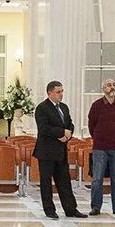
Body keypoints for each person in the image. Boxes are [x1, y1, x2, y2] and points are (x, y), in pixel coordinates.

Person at [34, 80, 85, 219]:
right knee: (46, 183)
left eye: (62, 91)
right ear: (49, 93)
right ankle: (50, 210)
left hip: (61, 151)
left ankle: (71, 209)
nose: (61, 94)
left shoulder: (64, 107)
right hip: (46, 151)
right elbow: (44, 128)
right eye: (58, 92)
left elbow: (70, 124)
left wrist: (67, 136)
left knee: (64, 181)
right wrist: (61, 132)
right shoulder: (42, 108)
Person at [86, 78, 115, 217]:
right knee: (97, 178)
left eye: (113, 85)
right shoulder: (96, 105)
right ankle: (95, 207)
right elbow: (91, 125)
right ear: (103, 88)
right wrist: (98, 137)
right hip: (100, 147)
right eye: (108, 85)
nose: (112, 87)